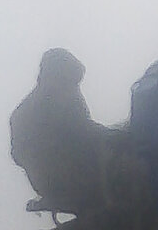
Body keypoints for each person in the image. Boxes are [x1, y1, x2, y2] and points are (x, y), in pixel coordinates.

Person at [10, 48, 112, 215]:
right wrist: (117, 137)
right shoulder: (45, 109)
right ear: (55, 77)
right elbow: (83, 132)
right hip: (68, 179)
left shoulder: (26, 111)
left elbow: (84, 129)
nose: (74, 90)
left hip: (55, 180)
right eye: (69, 83)